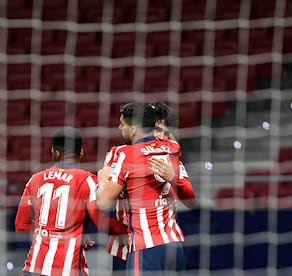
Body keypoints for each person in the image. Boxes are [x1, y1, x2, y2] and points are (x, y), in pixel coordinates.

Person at [15, 127, 127, 276]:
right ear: (81, 152)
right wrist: (128, 231)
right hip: (69, 270)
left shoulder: (35, 179)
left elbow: (21, 226)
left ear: (55, 152)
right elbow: (101, 222)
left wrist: (46, 237)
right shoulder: (87, 180)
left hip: (34, 269)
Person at [103, 102, 197, 275]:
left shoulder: (126, 154)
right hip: (129, 244)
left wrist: (102, 180)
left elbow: (102, 201)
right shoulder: (171, 151)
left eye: (164, 132)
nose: (160, 136)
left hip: (145, 243)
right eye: (157, 130)